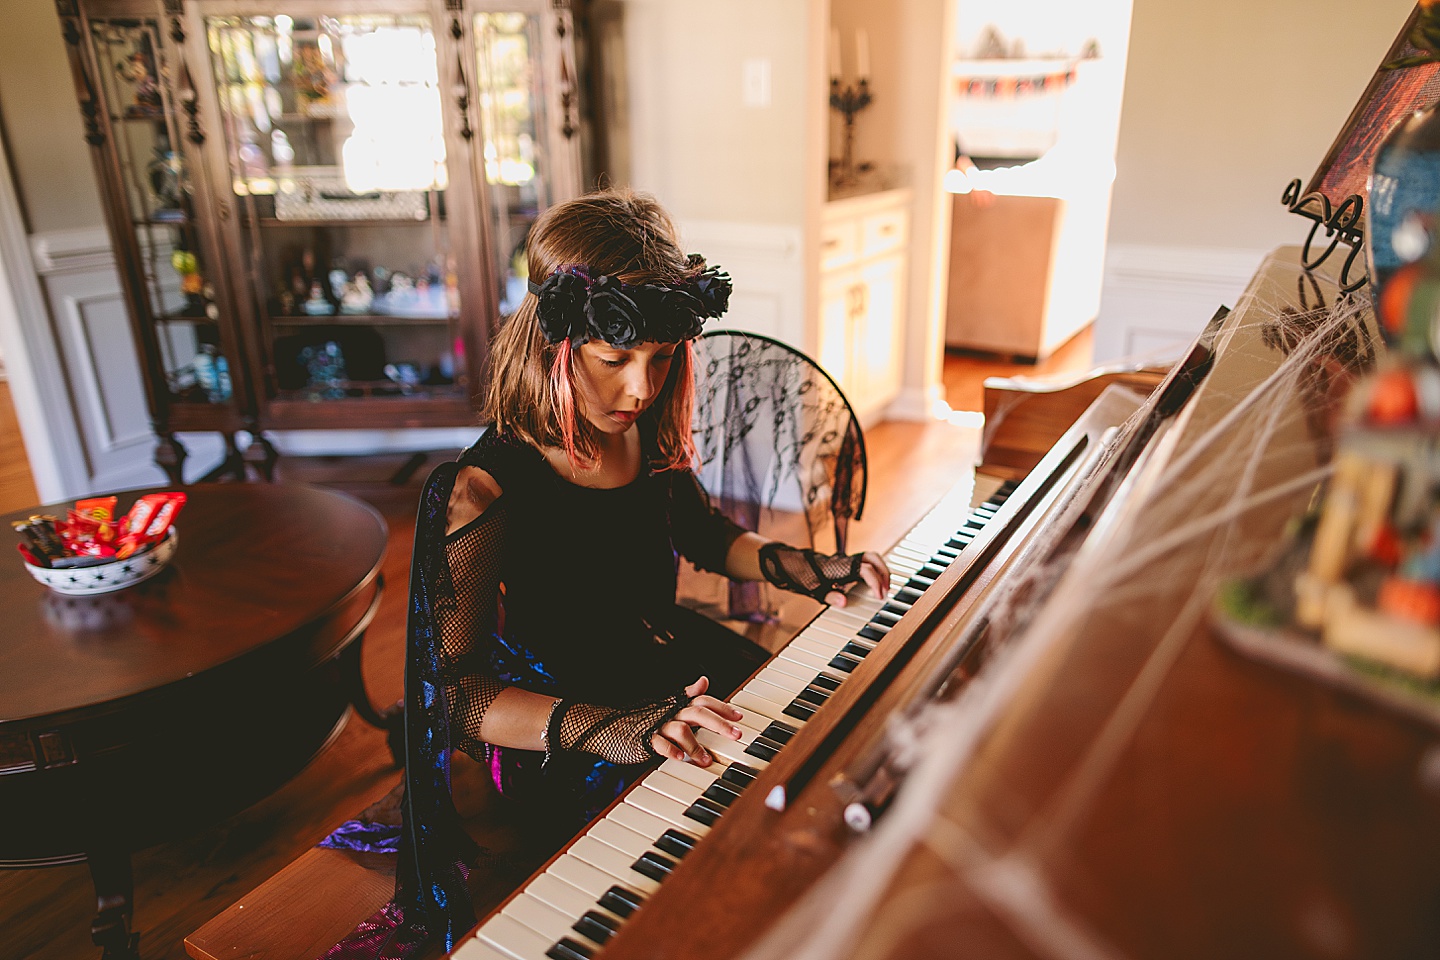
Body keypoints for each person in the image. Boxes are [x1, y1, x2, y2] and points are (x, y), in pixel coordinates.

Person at [327, 188, 889, 958]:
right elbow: (453, 698)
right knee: (722, 853)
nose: (642, 388)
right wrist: (618, 729)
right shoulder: (483, 490)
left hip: (661, 664)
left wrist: (808, 569)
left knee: (816, 756)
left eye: (662, 360)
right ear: (553, 344)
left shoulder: (640, 422)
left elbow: (700, 532)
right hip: (557, 726)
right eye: (615, 359)